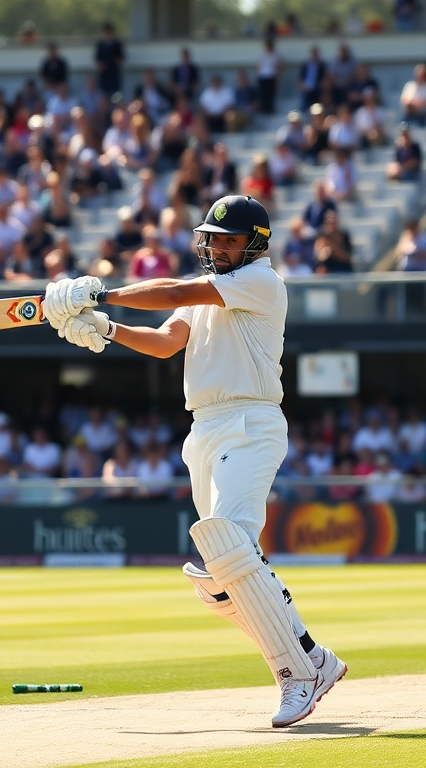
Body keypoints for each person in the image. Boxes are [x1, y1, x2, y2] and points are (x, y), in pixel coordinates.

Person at [43, 194, 346, 728]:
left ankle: (300, 673)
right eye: (214, 237)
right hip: (203, 427)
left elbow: (177, 291)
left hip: (249, 422)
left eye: (231, 239)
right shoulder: (207, 290)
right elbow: (165, 343)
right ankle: (311, 658)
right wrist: (105, 329)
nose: (220, 246)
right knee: (219, 578)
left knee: (230, 549)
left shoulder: (261, 281)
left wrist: (101, 291)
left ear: (255, 244)